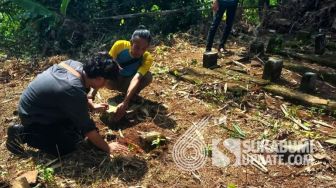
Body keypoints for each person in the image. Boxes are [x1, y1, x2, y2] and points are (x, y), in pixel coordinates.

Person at [6, 57, 129, 156]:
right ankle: (21, 133)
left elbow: (72, 96)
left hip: (44, 106)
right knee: (66, 147)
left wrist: (91, 105)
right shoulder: (72, 89)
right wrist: (107, 147)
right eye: (106, 82)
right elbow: (87, 128)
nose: (105, 85)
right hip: (34, 116)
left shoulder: (74, 65)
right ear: (99, 78)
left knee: (76, 134)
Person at [92, 26, 153, 122]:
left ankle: (129, 95)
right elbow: (105, 68)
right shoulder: (119, 45)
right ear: (131, 42)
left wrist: (125, 102)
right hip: (113, 81)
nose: (140, 51)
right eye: (137, 47)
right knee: (107, 67)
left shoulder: (147, 58)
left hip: (128, 83)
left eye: (144, 49)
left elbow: (136, 78)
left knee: (148, 76)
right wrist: (92, 94)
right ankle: (128, 95)